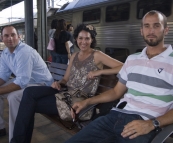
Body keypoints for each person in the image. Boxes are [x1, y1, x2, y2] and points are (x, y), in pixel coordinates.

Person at [64, 10, 173, 143]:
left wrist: (153, 123)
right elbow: (116, 92)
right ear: (141, 31)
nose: (151, 30)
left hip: (144, 123)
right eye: (147, 26)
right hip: (114, 117)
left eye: (156, 26)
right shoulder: (132, 59)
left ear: (166, 30)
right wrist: (86, 102)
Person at [10, 23, 123, 143]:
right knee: (28, 92)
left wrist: (100, 72)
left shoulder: (97, 55)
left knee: (28, 105)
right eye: (80, 38)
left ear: (92, 40)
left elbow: (124, 66)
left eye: (87, 38)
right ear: (75, 39)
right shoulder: (74, 55)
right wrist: (58, 83)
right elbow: (65, 79)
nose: (83, 42)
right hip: (66, 93)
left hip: (79, 101)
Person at [0, 25, 53, 141]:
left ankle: (15, 138)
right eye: (6, 36)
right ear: (1, 38)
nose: (10, 38)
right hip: (28, 82)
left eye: (13, 35)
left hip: (42, 84)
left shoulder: (24, 52)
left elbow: (21, 82)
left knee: (14, 97)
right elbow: (3, 76)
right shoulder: (5, 53)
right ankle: (1, 127)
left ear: (18, 37)